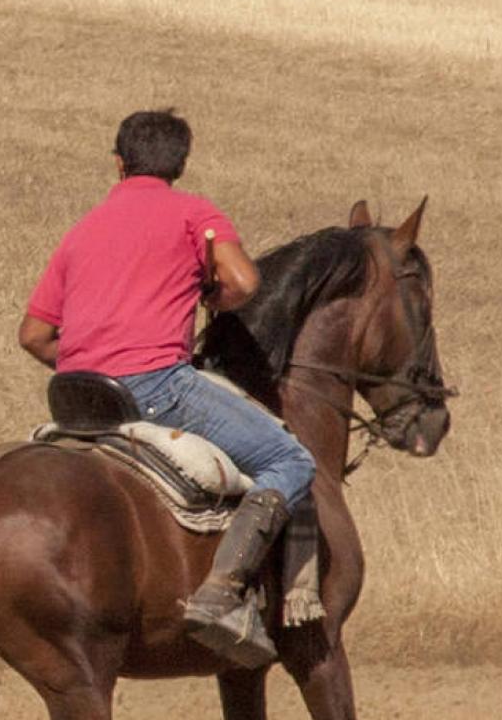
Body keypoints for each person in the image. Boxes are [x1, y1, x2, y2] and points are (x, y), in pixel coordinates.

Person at [18, 110, 315, 665]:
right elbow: (246, 282)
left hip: (78, 395)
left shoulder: (82, 230)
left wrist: (92, 357)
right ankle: (223, 593)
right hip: (157, 386)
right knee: (290, 458)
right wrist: (214, 299)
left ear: (117, 162)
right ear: (180, 164)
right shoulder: (193, 214)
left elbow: (34, 335)